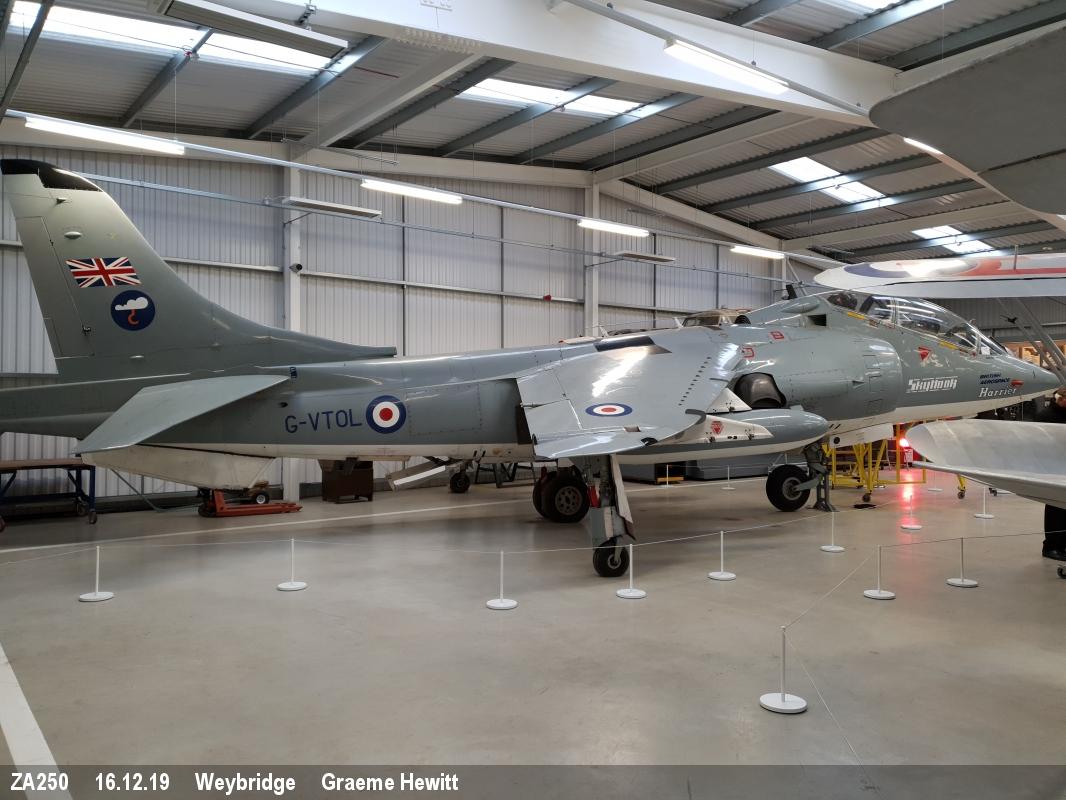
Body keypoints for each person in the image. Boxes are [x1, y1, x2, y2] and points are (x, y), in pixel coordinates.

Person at [1037, 389, 1066, 560]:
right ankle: (1051, 546)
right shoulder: (1046, 416)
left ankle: (1062, 545)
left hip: (1063, 466)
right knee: (1055, 508)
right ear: (1061, 399)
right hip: (1053, 470)